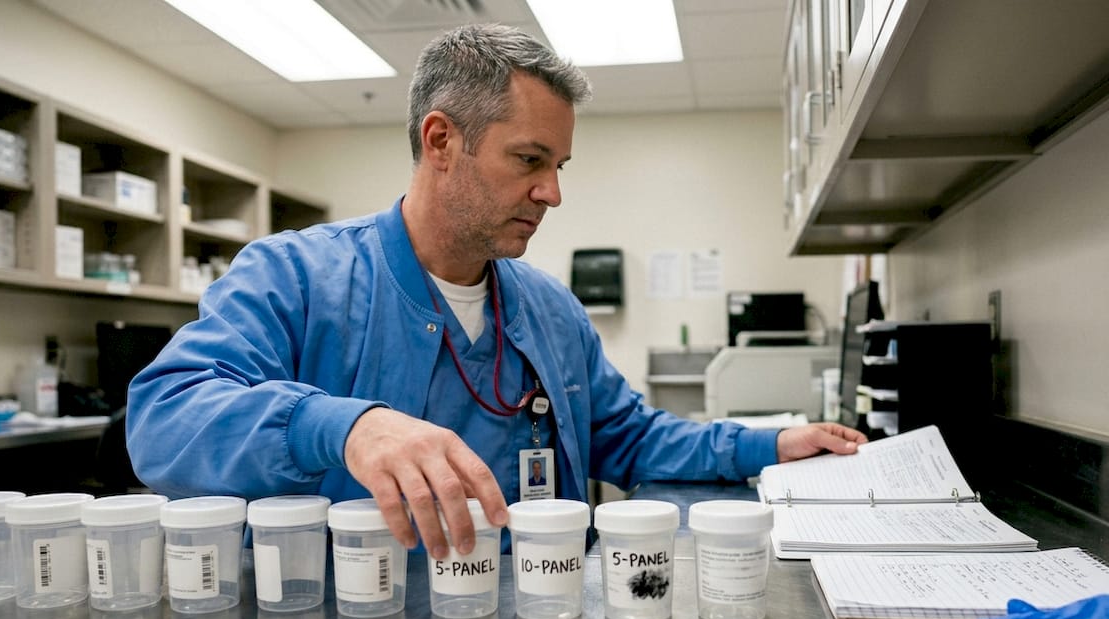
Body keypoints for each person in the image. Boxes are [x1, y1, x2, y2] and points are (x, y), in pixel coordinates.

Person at [126, 23, 867, 561]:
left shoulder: (550, 310)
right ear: (442, 141)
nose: (551, 192)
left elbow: (629, 437)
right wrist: (345, 427)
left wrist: (768, 443)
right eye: (529, 160)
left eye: (560, 166)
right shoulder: (294, 277)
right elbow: (164, 415)